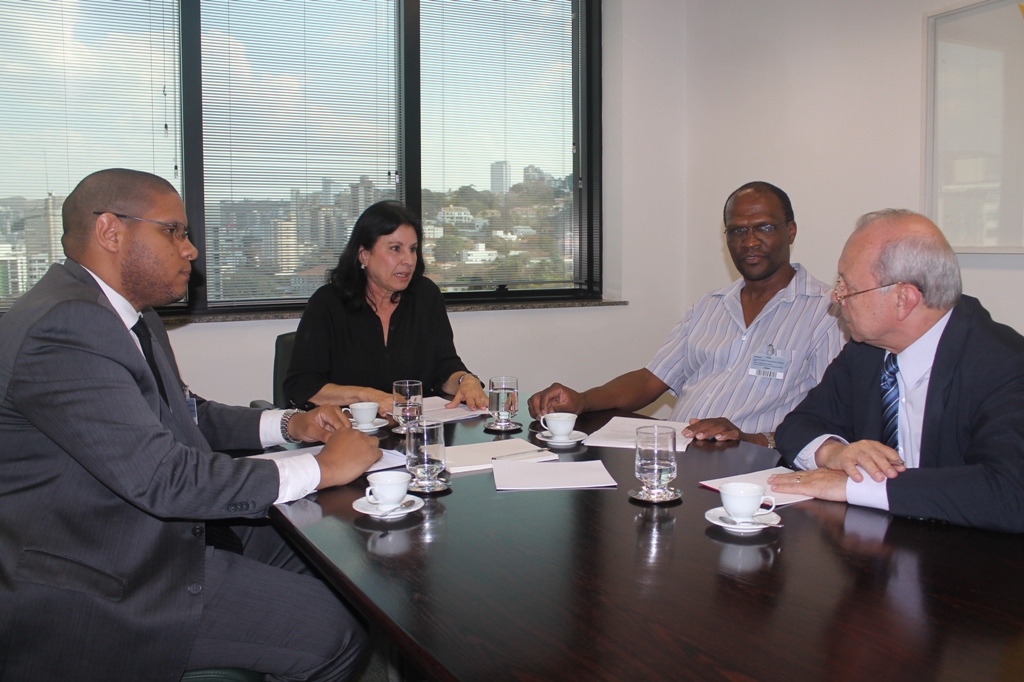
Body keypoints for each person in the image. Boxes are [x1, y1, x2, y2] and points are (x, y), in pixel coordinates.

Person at [0, 169, 382, 681]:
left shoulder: (131, 315)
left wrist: (293, 425)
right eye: (173, 231)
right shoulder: (64, 326)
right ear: (110, 231)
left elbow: (187, 413)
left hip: (159, 532)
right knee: (340, 630)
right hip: (110, 574)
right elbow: (164, 478)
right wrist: (322, 469)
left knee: (334, 561)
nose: (191, 250)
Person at [528, 181, 843, 446]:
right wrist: (582, 400)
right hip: (677, 454)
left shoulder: (828, 312)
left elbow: (837, 420)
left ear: (790, 231)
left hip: (754, 467)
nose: (749, 242)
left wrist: (749, 438)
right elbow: (650, 380)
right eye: (737, 231)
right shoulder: (710, 305)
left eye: (764, 227)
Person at [769, 209, 1024, 533]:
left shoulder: (1004, 365)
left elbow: (1009, 493)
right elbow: (796, 425)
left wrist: (856, 487)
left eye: (848, 286)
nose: (836, 296)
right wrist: (834, 452)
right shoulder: (866, 351)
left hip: (965, 554)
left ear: (904, 299)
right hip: (877, 545)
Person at [284, 200, 487, 414]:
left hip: (414, 426)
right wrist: (367, 397)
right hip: (347, 428)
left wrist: (465, 380)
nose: (409, 260)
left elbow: (444, 367)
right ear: (364, 255)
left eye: (412, 249)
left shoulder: (426, 296)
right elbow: (301, 385)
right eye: (395, 249)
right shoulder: (328, 303)